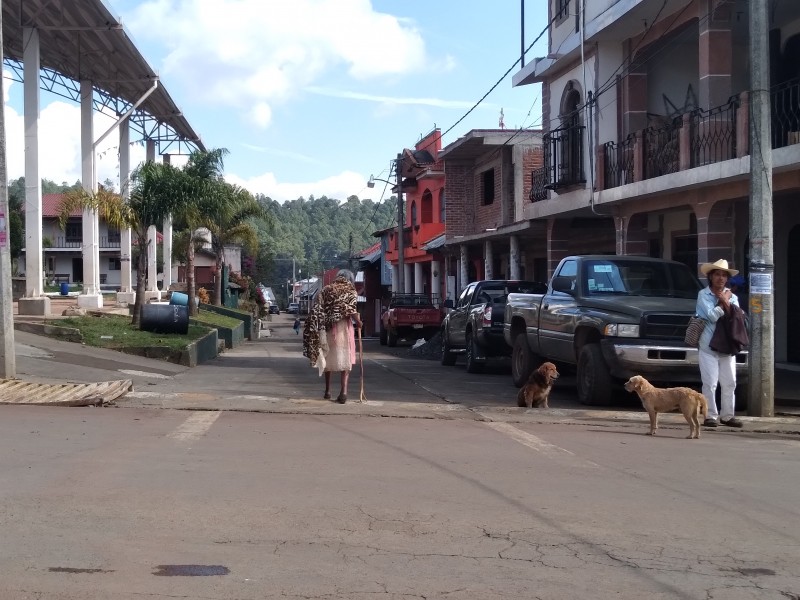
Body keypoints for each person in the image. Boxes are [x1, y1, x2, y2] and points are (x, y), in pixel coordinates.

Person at [302, 269, 362, 404]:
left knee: (328, 358)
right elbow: (351, 311)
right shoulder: (351, 291)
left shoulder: (326, 289)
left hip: (328, 328)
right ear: (350, 279)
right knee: (346, 360)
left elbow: (318, 308)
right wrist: (358, 322)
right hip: (344, 329)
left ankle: (328, 391)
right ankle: (344, 391)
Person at [695, 259, 743, 428]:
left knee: (730, 382)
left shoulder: (734, 297)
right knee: (710, 382)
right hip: (708, 345)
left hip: (727, 346)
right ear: (710, 277)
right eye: (717, 274)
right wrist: (725, 301)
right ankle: (710, 416)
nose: (720, 278)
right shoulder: (703, 295)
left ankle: (728, 416)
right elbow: (711, 316)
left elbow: (737, 316)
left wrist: (726, 300)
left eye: (724, 275)